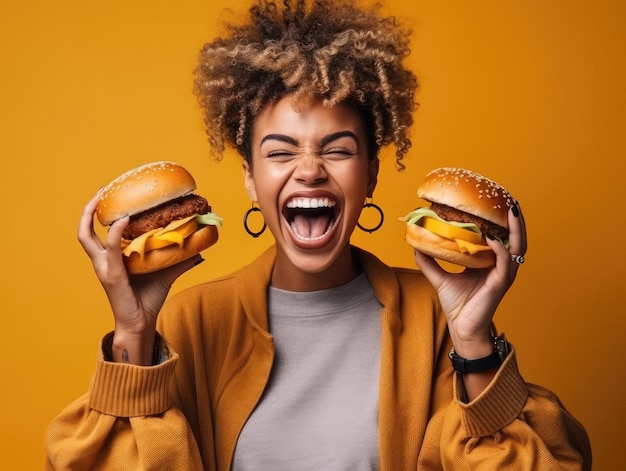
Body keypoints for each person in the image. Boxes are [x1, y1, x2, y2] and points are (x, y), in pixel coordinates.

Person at [45, 0, 592, 469]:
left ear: (371, 174)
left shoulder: (436, 320)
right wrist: (134, 334)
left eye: (338, 149)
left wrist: (473, 341)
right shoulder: (192, 322)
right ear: (251, 181)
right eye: (280, 151)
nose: (309, 170)